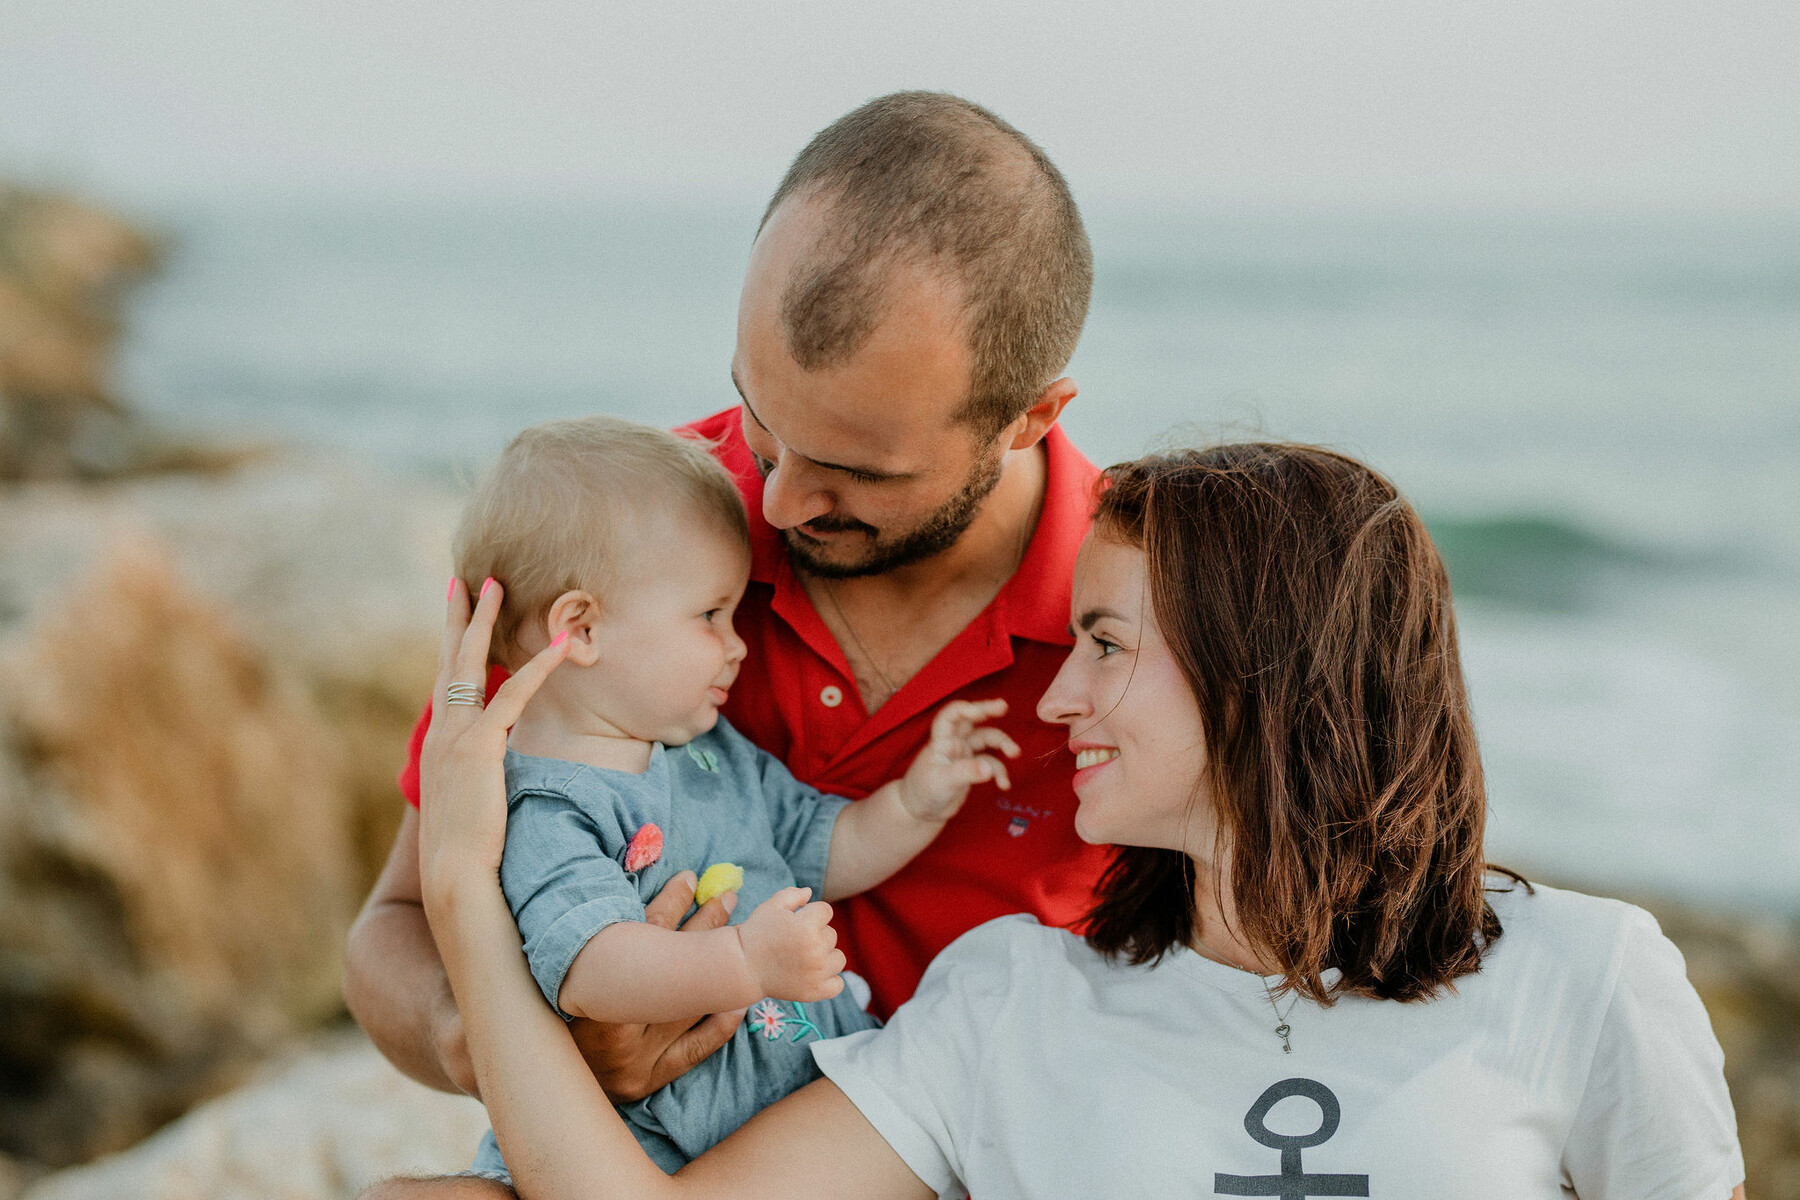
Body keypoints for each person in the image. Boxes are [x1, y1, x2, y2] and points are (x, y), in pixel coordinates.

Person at [382, 442, 1745, 1199]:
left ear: (1265, 672)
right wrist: (459, 886)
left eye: (1104, 645)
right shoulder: (1011, 1003)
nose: (1058, 695)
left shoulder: (1588, 977)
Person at [342, 90, 1112, 1119]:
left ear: (1032, 418)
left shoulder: (1154, 621)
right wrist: (511, 1049)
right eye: (759, 415)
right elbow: (396, 922)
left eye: (858, 472)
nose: (779, 500)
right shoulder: (621, 535)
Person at [445, 414, 1018, 1181]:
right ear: (579, 629)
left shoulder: (706, 754)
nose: (739, 643)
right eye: (711, 615)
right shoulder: (549, 805)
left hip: (796, 1122)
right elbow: (593, 967)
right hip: (651, 1148)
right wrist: (745, 960)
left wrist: (919, 798)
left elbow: (826, 849)